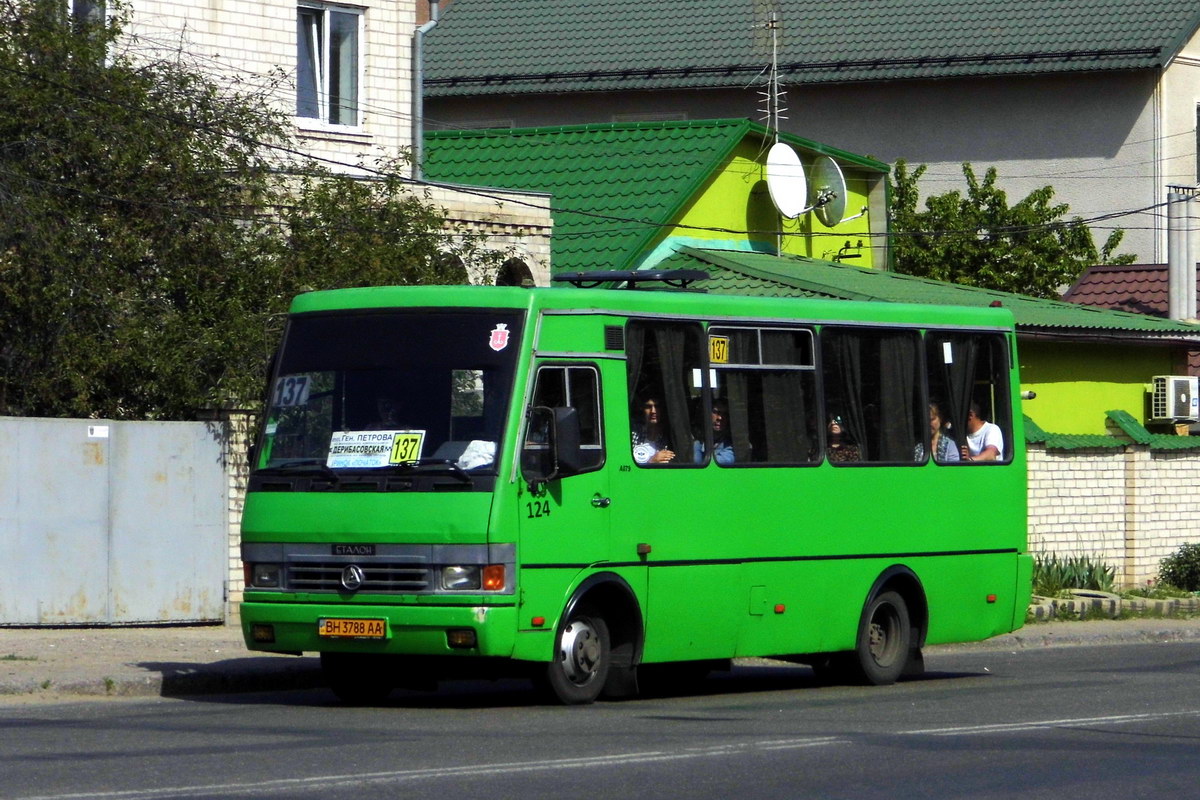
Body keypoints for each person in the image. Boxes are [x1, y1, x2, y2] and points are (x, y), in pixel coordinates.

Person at [632, 395, 675, 464]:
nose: (653, 411)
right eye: (648, 407)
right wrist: (651, 462)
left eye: (657, 406)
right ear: (642, 409)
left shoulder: (669, 437)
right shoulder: (633, 433)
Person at [693, 399, 735, 465]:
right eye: (715, 412)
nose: (720, 418)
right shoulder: (696, 440)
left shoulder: (731, 445)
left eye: (725, 414)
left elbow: (705, 466)